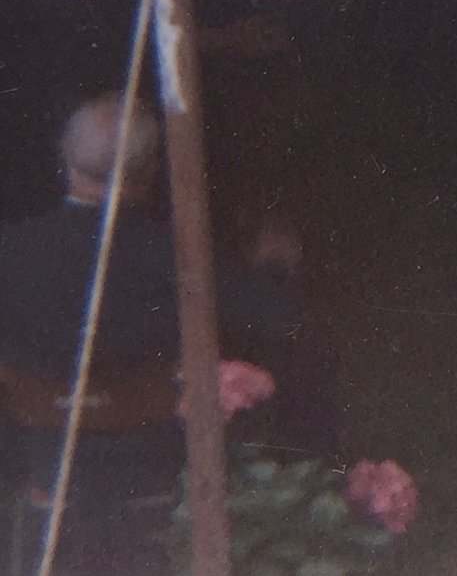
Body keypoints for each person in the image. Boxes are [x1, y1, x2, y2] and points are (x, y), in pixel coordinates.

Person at [0, 98, 306, 489]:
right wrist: (276, 269)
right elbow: (277, 320)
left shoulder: (10, 250)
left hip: (43, 462)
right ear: (149, 170)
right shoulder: (179, 253)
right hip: (159, 463)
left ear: (63, 157)